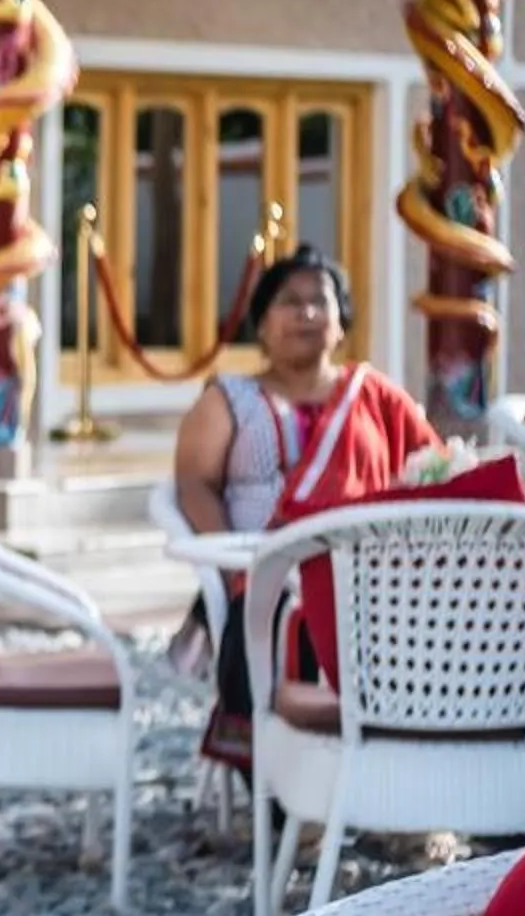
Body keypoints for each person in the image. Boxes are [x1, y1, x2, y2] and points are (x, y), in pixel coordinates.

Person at [168, 247, 437, 732]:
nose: (307, 313)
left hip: (369, 575)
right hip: (266, 571)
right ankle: (274, 753)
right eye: (290, 301)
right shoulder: (230, 399)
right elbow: (195, 485)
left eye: (320, 301)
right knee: (278, 611)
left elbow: (433, 467)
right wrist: (235, 571)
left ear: (341, 322)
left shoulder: (375, 395)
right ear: (262, 323)